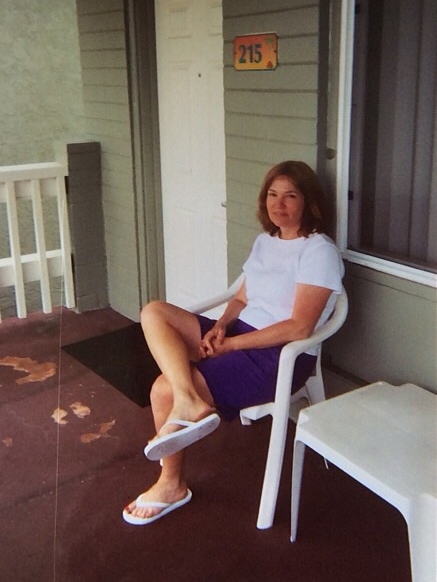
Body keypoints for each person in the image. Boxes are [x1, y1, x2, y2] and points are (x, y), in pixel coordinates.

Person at [123, 160, 344, 525]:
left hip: (278, 355)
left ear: (309, 202)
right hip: (240, 332)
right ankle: (189, 400)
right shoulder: (266, 242)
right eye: (272, 194)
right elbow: (241, 298)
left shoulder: (319, 251)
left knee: (161, 390)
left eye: (290, 196)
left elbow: (299, 328)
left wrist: (232, 346)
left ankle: (171, 484)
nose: (278, 204)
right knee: (154, 312)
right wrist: (221, 327)